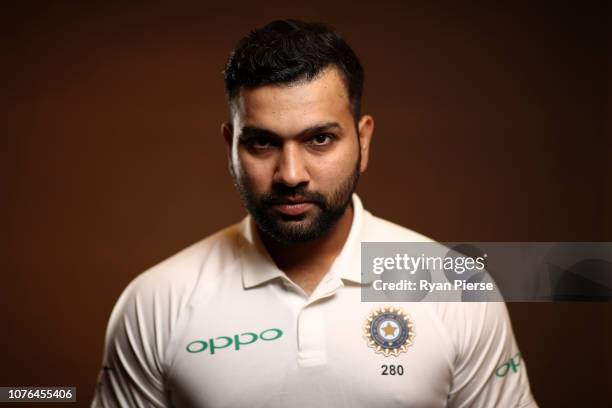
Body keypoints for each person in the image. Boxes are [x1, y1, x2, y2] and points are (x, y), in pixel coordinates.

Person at [92, 19, 537, 407]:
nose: (290, 174)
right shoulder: (154, 303)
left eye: (319, 139)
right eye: (262, 142)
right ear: (230, 145)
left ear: (364, 141)